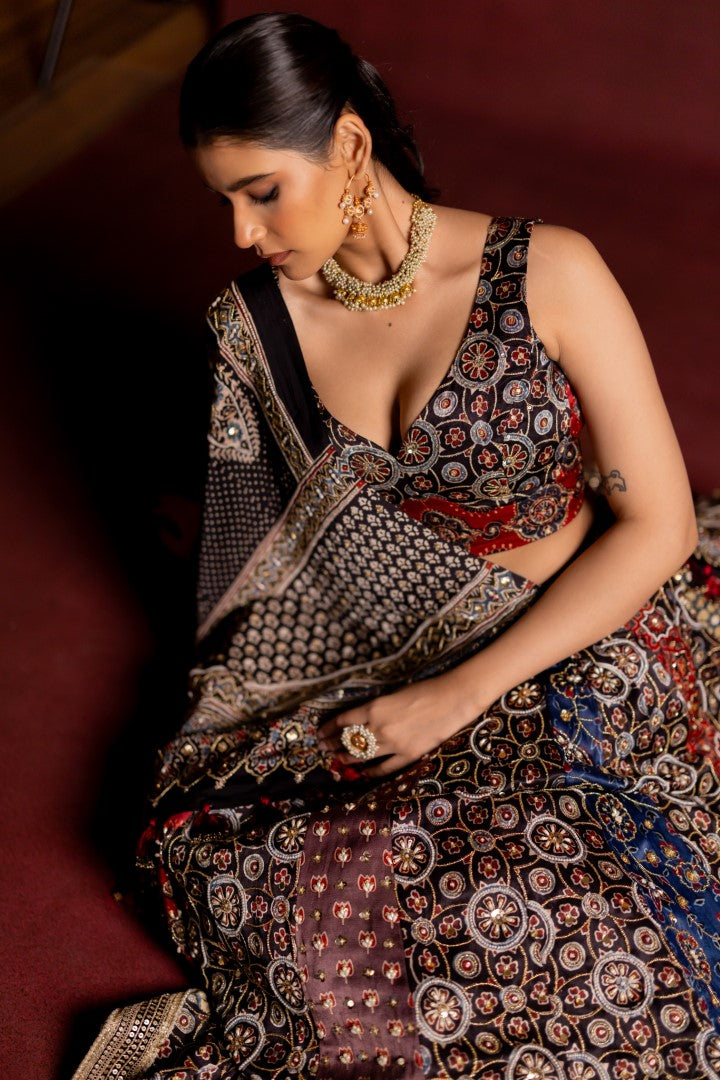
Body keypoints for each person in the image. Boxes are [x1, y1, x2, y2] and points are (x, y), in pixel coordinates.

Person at [72, 12, 720, 1080]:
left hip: (580, 635)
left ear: (350, 146)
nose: (241, 233)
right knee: (319, 867)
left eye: (261, 192)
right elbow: (269, 580)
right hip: (378, 659)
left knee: (560, 891)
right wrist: (390, 691)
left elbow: (656, 523)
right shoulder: (252, 329)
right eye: (222, 201)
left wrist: (457, 696)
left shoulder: (548, 272)